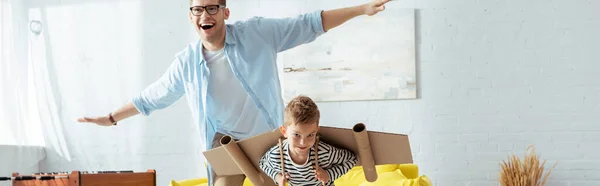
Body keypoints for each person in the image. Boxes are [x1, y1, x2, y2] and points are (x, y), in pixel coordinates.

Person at [77, 0, 391, 185]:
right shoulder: (186, 63)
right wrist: (110, 117)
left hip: (268, 141)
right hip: (224, 145)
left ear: (225, 13)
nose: (205, 16)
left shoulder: (258, 33)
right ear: (190, 16)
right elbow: (152, 97)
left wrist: (361, 9)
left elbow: (310, 24)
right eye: (198, 9)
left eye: (212, 8)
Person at [259, 95, 357, 186]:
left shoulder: (325, 153)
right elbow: (263, 163)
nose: (303, 143)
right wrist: (277, 177)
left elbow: (351, 159)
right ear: (284, 132)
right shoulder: (277, 155)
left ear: (316, 131)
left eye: (310, 135)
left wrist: (329, 175)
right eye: (296, 135)